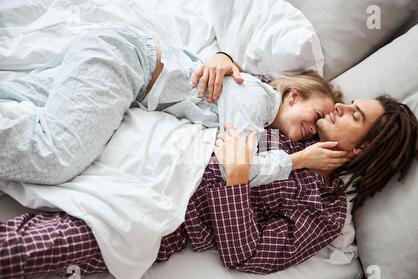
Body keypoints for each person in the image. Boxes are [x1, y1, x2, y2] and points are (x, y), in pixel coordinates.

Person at [0, 95, 418, 279]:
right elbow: (250, 87)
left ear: (364, 148)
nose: (340, 105)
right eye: (350, 102)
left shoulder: (324, 213)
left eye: (354, 114)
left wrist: (235, 181)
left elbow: (247, 256)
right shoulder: (299, 123)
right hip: (154, 147)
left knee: (26, 247)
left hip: (164, 216)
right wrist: (222, 60)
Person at [0, 25, 346, 187]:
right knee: (56, 158)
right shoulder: (256, 99)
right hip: (125, 64)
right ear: (294, 95)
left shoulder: (252, 93)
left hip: (119, 56)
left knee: (16, 98)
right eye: (316, 117)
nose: (313, 130)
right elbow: (237, 168)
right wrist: (298, 160)